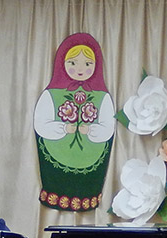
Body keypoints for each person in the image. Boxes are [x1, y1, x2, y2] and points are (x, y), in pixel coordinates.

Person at [33, 32, 116, 212]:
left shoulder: (102, 97)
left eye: (87, 64)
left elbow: (108, 127)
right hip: (56, 155)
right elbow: (41, 124)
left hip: (91, 157)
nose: (80, 69)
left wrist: (92, 131)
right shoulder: (50, 94)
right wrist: (63, 128)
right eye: (72, 63)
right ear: (61, 63)